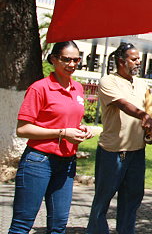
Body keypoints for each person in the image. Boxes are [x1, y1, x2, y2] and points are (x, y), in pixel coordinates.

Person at [9, 41, 94, 233]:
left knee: (59, 225)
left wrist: (81, 129)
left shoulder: (78, 88)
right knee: (22, 224)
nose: (71, 64)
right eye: (66, 59)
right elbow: (22, 130)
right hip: (39, 161)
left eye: (76, 60)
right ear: (54, 60)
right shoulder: (40, 88)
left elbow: (66, 121)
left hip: (67, 164)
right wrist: (62, 133)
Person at [87, 43, 152, 234]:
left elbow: (151, 113)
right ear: (121, 61)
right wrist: (143, 116)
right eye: (134, 59)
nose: (138, 62)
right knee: (103, 199)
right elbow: (123, 104)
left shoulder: (142, 84)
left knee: (132, 199)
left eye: (139, 59)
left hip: (136, 153)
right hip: (113, 152)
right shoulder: (108, 81)